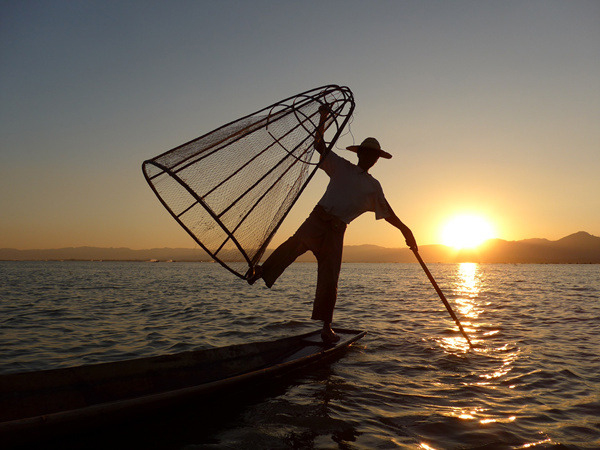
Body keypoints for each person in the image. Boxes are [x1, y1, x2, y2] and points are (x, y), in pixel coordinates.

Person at [247, 105, 418, 343]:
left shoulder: (373, 186)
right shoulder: (341, 166)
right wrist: (323, 118)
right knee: (293, 246)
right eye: (366, 154)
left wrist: (406, 231)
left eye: (373, 156)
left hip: (337, 230)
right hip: (319, 218)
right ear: (359, 154)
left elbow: (388, 213)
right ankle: (261, 272)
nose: (369, 158)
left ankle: (326, 327)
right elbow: (320, 145)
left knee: (330, 278)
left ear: (376, 160)